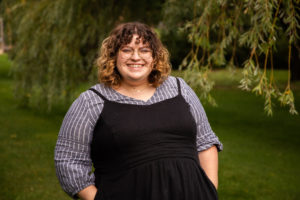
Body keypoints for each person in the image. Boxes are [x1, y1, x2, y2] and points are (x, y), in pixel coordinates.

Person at [55, 22, 223, 200]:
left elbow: (205, 143)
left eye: (144, 50)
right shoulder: (91, 101)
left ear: (155, 56)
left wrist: (209, 189)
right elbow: (68, 160)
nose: (136, 57)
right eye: (126, 50)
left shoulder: (180, 89)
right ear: (113, 56)